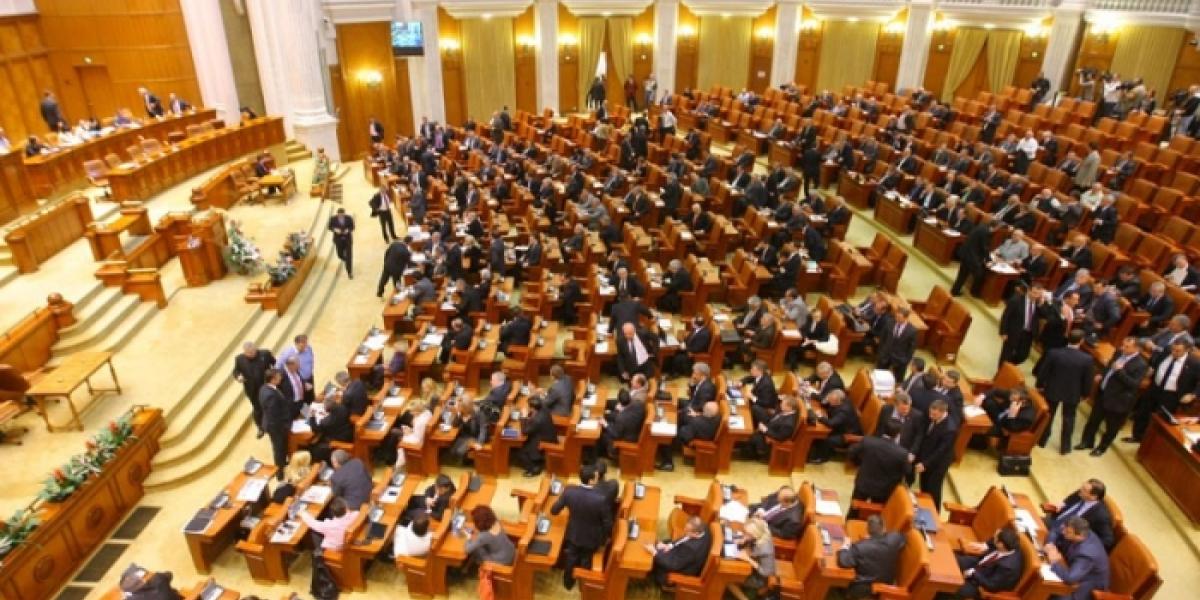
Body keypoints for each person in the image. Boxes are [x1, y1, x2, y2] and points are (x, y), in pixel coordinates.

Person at [1077, 337, 1147, 456]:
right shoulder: (1119, 352)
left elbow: (1134, 384)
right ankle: (1087, 442)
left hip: (1118, 400)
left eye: (1127, 347)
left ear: (1136, 349)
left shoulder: (1141, 365)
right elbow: (1109, 366)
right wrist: (1102, 375)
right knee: (1093, 420)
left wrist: (1120, 371)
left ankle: (1102, 448)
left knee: (1111, 427)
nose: (1123, 348)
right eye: (1123, 345)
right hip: (1103, 393)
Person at [550, 464, 613, 589]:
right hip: (591, 538)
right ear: (591, 480)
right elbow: (607, 523)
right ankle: (583, 586)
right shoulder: (601, 499)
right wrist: (605, 539)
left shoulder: (569, 492)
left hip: (574, 533)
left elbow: (554, 510)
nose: (598, 479)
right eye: (596, 477)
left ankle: (568, 583)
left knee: (571, 557)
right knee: (586, 560)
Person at [1128, 339, 1200, 442]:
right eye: (1173, 349)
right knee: (1142, 413)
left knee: (1159, 420)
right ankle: (1137, 436)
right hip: (1154, 388)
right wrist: (1152, 369)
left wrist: (1193, 395)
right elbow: (1156, 361)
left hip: (1171, 396)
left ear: (1187, 350)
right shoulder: (1166, 351)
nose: (1174, 352)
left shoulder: (1194, 364)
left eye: (1178, 351)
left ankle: (1148, 443)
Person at [1036, 329, 1095, 454]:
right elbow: (1088, 379)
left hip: (1053, 389)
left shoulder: (1054, 353)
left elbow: (1043, 371)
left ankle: (1042, 440)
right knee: (1069, 419)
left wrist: (1040, 385)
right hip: (1072, 392)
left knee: (1049, 415)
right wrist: (1085, 394)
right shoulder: (1087, 359)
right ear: (1081, 341)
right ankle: (1065, 447)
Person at [837, 515, 907, 599]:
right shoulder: (895, 538)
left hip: (864, 588)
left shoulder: (860, 547)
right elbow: (903, 538)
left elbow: (843, 562)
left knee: (842, 583)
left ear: (867, 530)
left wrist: (844, 547)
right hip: (888, 582)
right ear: (884, 528)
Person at [1044, 518, 1110, 599]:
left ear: (1080, 536)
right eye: (1064, 529)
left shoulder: (1087, 554)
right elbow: (1055, 531)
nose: (1063, 532)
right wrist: (1050, 545)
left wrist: (1054, 562)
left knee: (1054, 595)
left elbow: (1070, 578)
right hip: (1071, 567)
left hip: (1086, 587)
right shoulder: (1074, 528)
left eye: (1067, 532)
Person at [848, 420, 911, 504]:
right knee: (878, 511)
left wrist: (858, 463)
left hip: (863, 484)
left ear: (883, 430)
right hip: (884, 490)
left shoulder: (868, 441)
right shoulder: (902, 453)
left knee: (854, 508)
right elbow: (907, 471)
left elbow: (851, 452)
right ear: (898, 434)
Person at [1044, 479, 1116, 552]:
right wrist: (1060, 505)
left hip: (1062, 537)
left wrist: (1080, 540)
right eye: (1082, 486)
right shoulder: (1080, 493)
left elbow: (1108, 541)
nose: (1080, 489)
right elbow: (1067, 501)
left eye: (1084, 490)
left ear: (1093, 497)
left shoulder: (1101, 516)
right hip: (1052, 521)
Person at [955, 527, 1024, 598]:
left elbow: (992, 585)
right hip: (979, 563)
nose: (993, 538)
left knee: (953, 586)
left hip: (980, 584)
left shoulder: (1007, 568)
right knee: (952, 560)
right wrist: (985, 545)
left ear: (1001, 544)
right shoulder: (1011, 545)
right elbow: (995, 540)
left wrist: (973, 573)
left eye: (995, 538)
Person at [646, 515, 712, 587]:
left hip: (681, 570)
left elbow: (674, 565)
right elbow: (685, 538)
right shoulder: (704, 528)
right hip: (682, 556)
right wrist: (669, 545)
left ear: (696, 533)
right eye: (685, 528)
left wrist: (654, 552)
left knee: (652, 557)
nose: (684, 531)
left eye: (687, 531)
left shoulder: (690, 549)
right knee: (660, 545)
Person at [915, 399, 957, 510]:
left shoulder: (949, 429)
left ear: (943, 412)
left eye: (934, 414)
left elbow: (940, 451)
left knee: (933, 489)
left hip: (938, 463)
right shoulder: (932, 417)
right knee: (924, 485)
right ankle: (924, 507)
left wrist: (925, 464)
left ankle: (934, 512)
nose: (930, 416)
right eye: (930, 412)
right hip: (927, 456)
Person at [233, 341, 276, 438]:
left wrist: (273, 374)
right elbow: (236, 371)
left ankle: (273, 424)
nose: (252, 354)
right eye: (249, 353)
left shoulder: (265, 354)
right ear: (244, 352)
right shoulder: (239, 359)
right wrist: (238, 376)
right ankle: (261, 428)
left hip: (267, 387)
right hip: (252, 390)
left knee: (271, 406)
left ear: (256, 349)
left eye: (253, 351)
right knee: (257, 409)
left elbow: (275, 363)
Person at [726, 516, 776, 600]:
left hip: (759, 578)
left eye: (748, 534)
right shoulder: (762, 534)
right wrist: (744, 539)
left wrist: (748, 559)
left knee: (728, 580)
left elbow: (766, 572)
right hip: (752, 568)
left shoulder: (765, 549)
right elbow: (752, 544)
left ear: (755, 533)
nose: (745, 534)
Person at [952, 221, 999, 296]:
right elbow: (984, 248)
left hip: (965, 253)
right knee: (979, 275)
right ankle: (974, 292)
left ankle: (955, 290)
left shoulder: (981, 226)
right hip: (972, 257)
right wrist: (989, 260)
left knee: (962, 274)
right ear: (996, 227)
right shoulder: (987, 232)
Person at [515, 395, 557, 477]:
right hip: (548, 434)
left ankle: (533, 469)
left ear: (532, 408)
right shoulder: (544, 409)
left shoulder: (537, 420)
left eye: (529, 406)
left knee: (521, 453)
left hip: (544, 440)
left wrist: (523, 417)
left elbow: (525, 431)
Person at [259, 369, 290, 478]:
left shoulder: (264, 388)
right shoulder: (270, 395)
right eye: (278, 377)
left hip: (275, 425)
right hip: (275, 427)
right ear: (272, 380)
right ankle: (279, 473)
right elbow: (274, 415)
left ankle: (283, 463)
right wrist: (284, 427)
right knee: (278, 449)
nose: (280, 378)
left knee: (281, 448)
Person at [749, 394, 798, 459]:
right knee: (756, 409)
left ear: (789, 407)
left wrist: (765, 430)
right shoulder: (786, 410)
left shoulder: (788, 424)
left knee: (752, 438)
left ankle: (757, 452)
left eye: (783, 404)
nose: (781, 405)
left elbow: (779, 437)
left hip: (769, 436)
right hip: (770, 423)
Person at [876, 307, 917, 382]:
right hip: (885, 355)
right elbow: (882, 338)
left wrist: (906, 360)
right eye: (896, 316)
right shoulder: (889, 323)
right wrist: (881, 352)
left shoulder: (912, 330)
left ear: (906, 318)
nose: (896, 319)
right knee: (879, 376)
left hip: (900, 359)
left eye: (899, 317)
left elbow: (911, 348)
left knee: (897, 380)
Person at [327, 208, 354, 278]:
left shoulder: (349, 218)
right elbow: (329, 227)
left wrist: (348, 230)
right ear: (337, 214)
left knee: (349, 256)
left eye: (342, 215)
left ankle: (349, 272)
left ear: (344, 214)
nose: (341, 216)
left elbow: (352, 227)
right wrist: (335, 230)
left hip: (347, 240)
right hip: (338, 240)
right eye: (340, 215)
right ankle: (345, 259)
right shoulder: (333, 219)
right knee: (339, 255)